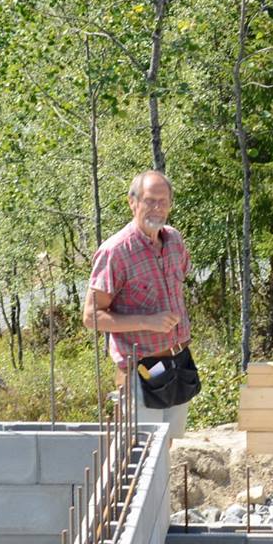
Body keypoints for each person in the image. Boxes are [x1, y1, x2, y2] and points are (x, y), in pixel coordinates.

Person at [84, 169, 192, 436]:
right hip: (141, 371)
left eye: (163, 201)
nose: (157, 208)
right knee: (142, 453)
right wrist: (147, 321)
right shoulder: (115, 251)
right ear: (132, 202)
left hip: (178, 363)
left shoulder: (175, 241)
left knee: (168, 446)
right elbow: (91, 317)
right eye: (149, 200)